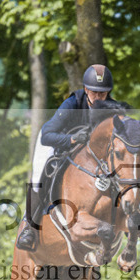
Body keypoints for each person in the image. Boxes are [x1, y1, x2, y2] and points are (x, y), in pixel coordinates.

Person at [16, 64, 119, 251]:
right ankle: (29, 227)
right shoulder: (72, 104)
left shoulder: (111, 108)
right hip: (56, 142)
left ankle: (126, 219)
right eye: (94, 92)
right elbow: (48, 135)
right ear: (86, 89)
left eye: (103, 93)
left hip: (87, 153)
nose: (98, 97)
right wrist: (71, 139)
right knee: (40, 176)